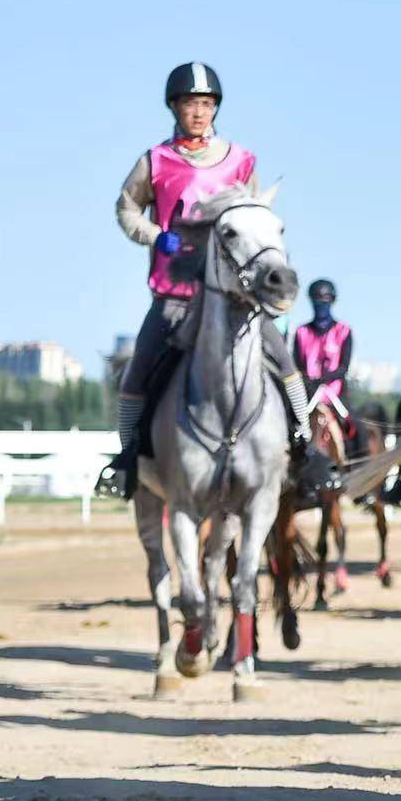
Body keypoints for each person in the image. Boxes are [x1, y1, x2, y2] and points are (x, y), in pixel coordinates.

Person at [103, 62, 311, 497]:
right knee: (137, 372)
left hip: (236, 296)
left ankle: (304, 451)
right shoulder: (155, 161)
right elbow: (125, 208)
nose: (198, 112)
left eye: (206, 103)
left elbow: (256, 215)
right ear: (174, 107)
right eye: (189, 104)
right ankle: (126, 463)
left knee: (285, 363)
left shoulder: (240, 161)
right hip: (175, 295)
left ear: (215, 108)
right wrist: (155, 236)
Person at [294, 278, 367, 460]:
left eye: (325, 299)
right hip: (308, 396)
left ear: (332, 300)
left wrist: (325, 379)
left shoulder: (344, 331)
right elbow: (298, 365)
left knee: (358, 430)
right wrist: (309, 383)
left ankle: (358, 467)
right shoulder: (301, 332)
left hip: (336, 396)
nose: (321, 304)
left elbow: (344, 367)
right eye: (317, 299)